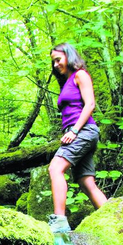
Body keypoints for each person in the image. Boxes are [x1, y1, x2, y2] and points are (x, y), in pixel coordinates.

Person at [47, 42, 108, 234]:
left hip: (83, 131)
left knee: (55, 168)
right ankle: (114, 218)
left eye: (58, 59)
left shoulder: (80, 75)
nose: (56, 64)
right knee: (86, 182)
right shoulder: (66, 82)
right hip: (80, 131)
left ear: (69, 56)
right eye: (53, 62)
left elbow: (89, 104)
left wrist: (73, 130)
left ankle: (60, 221)